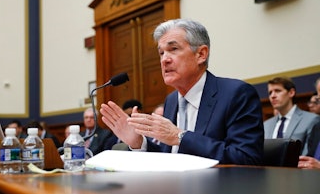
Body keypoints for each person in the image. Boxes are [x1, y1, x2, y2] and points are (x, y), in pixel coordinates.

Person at [100, 18, 264, 165]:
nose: (164, 59)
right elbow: (170, 159)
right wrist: (138, 142)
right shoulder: (171, 100)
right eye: (161, 53)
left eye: (173, 49)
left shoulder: (236, 94)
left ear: (201, 54)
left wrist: (180, 137)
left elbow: (246, 158)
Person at [264, 77, 320, 155]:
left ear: (291, 93)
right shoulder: (266, 125)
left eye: (277, 91)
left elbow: (308, 157)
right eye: (270, 92)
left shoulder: (311, 120)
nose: (272, 96)